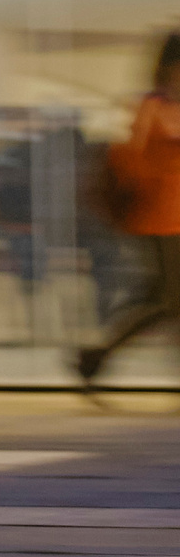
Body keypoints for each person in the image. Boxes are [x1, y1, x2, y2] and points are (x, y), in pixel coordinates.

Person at [73, 32, 180, 391]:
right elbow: (137, 164)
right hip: (161, 220)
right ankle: (96, 357)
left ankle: (95, 358)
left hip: (171, 217)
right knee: (170, 302)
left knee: (160, 300)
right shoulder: (153, 107)